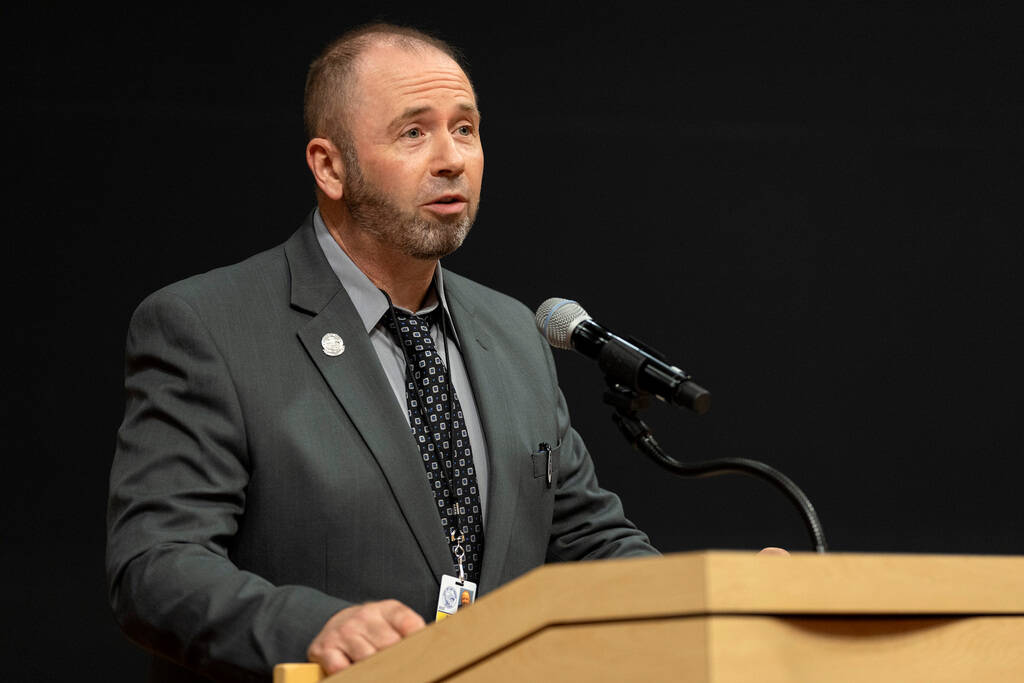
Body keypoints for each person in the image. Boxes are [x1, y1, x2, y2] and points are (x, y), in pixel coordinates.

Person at [106, 23, 658, 683]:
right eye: (414, 132)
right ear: (330, 166)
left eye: (466, 129)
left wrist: (725, 598)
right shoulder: (208, 327)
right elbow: (156, 566)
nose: (453, 158)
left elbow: (590, 542)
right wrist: (313, 627)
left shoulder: (512, 332)